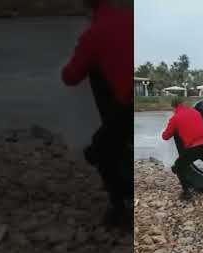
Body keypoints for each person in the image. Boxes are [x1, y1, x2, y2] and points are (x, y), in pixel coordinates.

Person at [61, 0, 134, 229]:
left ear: (87, 7)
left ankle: (120, 209)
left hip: (129, 106)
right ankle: (120, 157)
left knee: (100, 148)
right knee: (109, 142)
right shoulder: (130, 19)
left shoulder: (94, 33)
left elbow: (70, 77)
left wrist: (86, 53)